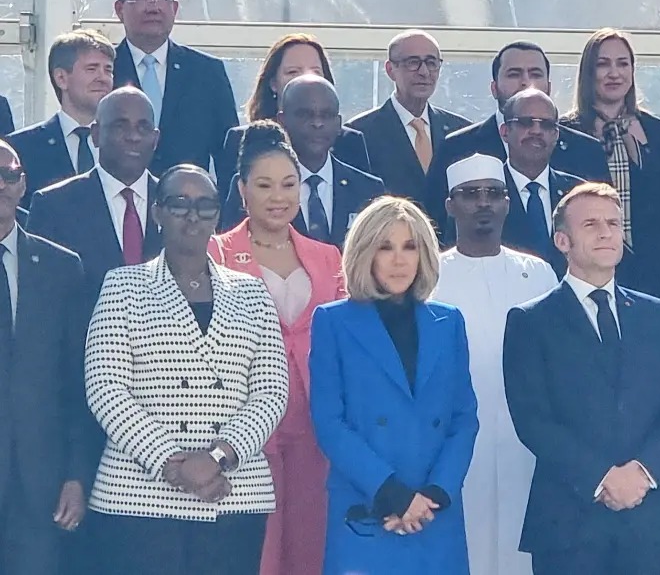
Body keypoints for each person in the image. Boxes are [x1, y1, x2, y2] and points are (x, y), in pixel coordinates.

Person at [84, 164, 289, 575]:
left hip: (234, 493)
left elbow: (272, 392)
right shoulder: (122, 285)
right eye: (179, 204)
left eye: (205, 205)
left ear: (218, 215)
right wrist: (174, 464)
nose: (192, 216)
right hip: (139, 497)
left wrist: (217, 455)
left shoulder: (251, 292)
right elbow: (105, 388)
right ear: (157, 212)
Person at [503, 183, 660, 575]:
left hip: (647, 519)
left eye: (613, 223)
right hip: (569, 522)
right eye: (590, 224)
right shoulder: (531, 321)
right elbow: (533, 420)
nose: (606, 232)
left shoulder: (656, 314)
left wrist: (642, 473)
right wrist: (602, 478)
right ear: (562, 240)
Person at [309, 196, 480, 575]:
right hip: (368, 509)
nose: (399, 259)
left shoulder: (448, 321)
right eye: (385, 247)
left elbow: (464, 418)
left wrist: (435, 494)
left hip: (435, 515)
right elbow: (329, 422)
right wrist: (392, 495)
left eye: (409, 246)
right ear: (365, 252)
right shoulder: (333, 322)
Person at [210, 122, 345, 575]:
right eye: (264, 185)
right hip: (244, 423)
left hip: (316, 422)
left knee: (312, 545)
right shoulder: (216, 253)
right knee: (259, 552)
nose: (278, 196)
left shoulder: (327, 255)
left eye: (289, 184)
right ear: (242, 190)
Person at [432, 152, 558, 575]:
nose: (483, 204)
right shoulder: (429, 276)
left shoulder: (538, 273)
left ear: (507, 202)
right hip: (457, 443)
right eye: (470, 195)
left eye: (492, 193)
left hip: (527, 443)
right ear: (450, 205)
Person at [0, 139, 96, 575]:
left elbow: (76, 382)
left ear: (22, 185)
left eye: (9, 174)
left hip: (38, 487)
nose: (1, 184)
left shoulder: (60, 267)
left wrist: (77, 475)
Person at [562, 28, 660, 297]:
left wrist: (644, 150)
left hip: (647, 268)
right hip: (586, 262)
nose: (614, 73)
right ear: (588, 72)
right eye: (603, 64)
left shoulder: (655, 130)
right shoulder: (566, 132)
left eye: (622, 64)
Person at [436, 41, 607, 214]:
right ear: (494, 88)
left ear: (549, 87)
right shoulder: (457, 148)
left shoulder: (586, 151)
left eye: (535, 74)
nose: (526, 82)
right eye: (514, 74)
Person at [109, 0, 239, 176]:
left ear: (175, 8)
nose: (153, 8)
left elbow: (229, 157)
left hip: (189, 205)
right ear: (120, 9)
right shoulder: (104, 69)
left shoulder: (206, 72)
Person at [221, 75, 384, 246]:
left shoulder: (369, 189)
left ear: (338, 124)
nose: (317, 123)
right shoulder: (253, 185)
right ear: (282, 121)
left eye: (326, 115)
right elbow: (232, 248)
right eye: (305, 114)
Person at [27, 87, 163, 288]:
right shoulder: (54, 205)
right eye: (120, 126)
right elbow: (38, 292)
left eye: (143, 128)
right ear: (96, 134)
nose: (133, 136)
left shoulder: (176, 202)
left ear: (155, 139)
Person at [218, 33, 371, 202]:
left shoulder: (349, 141)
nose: (305, 78)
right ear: (273, 83)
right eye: (292, 72)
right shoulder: (242, 140)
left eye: (315, 72)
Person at [348, 29, 468, 209]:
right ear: (390, 70)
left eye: (431, 62)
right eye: (413, 63)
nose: (424, 72)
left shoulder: (460, 131)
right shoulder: (359, 134)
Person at [6, 28, 115, 202]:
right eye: (92, 69)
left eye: (108, 70)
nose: (103, 78)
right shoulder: (21, 148)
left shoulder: (125, 145)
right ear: (61, 78)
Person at [495, 88, 584, 275]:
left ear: (556, 134)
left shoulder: (578, 193)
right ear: (504, 132)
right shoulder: (485, 192)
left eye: (546, 125)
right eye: (526, 122)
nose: (536, 131)